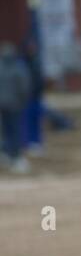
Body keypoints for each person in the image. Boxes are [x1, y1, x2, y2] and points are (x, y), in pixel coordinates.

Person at [0, 42, 33, 174]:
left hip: (3, 105)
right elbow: (24, 87)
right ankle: (16, 157)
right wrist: (22, 101)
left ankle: (7, 154)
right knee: (15, 131)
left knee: (6, 131)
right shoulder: (18, 68)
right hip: (14, 105)